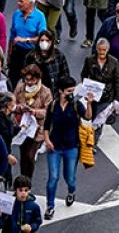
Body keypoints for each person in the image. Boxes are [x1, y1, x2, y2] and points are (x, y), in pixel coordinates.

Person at [39, 76, 90, 220]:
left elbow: (87, 116)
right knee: (53, 177)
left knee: (70, 178)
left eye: (73, 90)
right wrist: (47, 140)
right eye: (68, 91)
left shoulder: (76, 105)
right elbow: (47, 125)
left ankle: (71, 191)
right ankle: (50, 206)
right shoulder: (53, 105)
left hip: (71, 146)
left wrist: (90, 103)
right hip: (54, 146)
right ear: (60, 91)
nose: (71, 94)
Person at [6, 0, 46, 87]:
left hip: (31, 53)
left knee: (29, 79)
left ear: (30, 3)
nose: (18, 3)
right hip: (17, 51)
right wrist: (9, 53)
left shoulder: (40, 16)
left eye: (21, 1)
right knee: (13, 78)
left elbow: (42, 38)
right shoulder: (16, 14)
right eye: (18, 0)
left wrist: (26, 40)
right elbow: (12, 35)